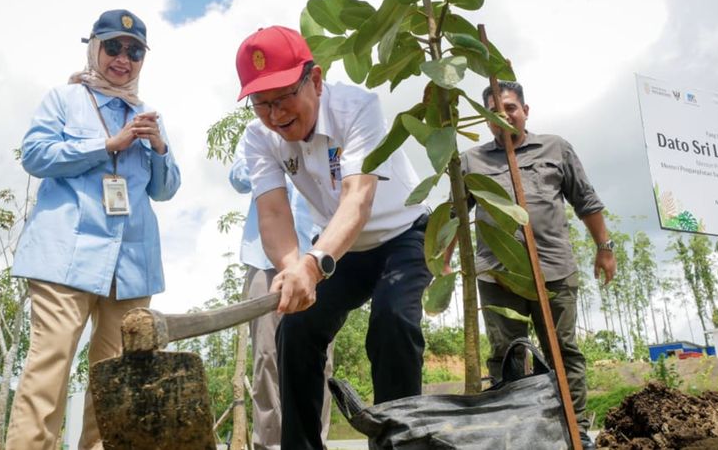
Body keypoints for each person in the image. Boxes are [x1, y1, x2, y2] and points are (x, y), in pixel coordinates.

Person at [235, 26, 431, 450]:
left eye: (284, 96)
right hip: (341, 248)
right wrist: (293, 271)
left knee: (392, 321)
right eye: (261, 103)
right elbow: (272, 213)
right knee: (298, 325)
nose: (275, 114)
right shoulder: (259, 137)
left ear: (316, 80)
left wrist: (312, 264)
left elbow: (357, 199)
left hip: (402, 235)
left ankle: (398, 444)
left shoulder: (357, 108)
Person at [6, 9, 181, 450]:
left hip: (132, 265)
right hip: (65, 255)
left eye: (135, 51)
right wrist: (107, 145)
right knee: (51, 364)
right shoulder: (64, 100)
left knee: (119, 378)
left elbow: (165, 189)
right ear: (93, 48)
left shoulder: (147, 115)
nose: (123, 58)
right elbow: (35, 156)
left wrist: (158, 147)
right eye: (113, 47)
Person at [459, 80, 615, 450]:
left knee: (563, 350)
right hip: (498, 276)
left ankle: (575, 430)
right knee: (506, 356)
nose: (504, 117)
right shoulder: (471, 161)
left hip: (554, 271)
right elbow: (455, 212)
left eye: (510, 108)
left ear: (525, 111)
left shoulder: (555, 148)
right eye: (493, 113)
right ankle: (514, 434)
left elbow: (586, 202)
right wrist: (442, 258)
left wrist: (604, 247)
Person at [229, 133, 334, 449]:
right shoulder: (254, 133)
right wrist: (277, 160)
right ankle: (271, 445)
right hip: (265, 260)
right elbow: (237, 176)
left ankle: (314, 442)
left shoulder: (323, 129)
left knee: (320, 359)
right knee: (266, 356)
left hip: (317, 257)